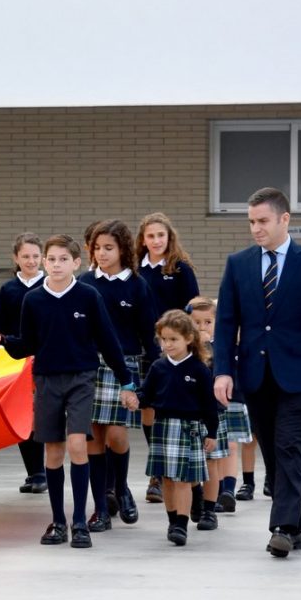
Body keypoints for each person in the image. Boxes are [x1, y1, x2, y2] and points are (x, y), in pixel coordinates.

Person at [0, 234, 137, 549]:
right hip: (47, 380)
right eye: (51, 259)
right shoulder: (32, 300)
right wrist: (0, 339)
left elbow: (108, 340)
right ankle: (58, 522)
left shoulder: (88, 296)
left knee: (78, 444)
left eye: (64, 259)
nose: (56, 264)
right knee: (53, 451)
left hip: (81, 378)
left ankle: (79, 521)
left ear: (76, 263)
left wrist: (127, 381)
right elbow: (27, 345)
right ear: (44, 262)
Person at [213, 187, 301, 558]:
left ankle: (281, 527)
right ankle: (294, 525)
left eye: (263, 221)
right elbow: (225, 323)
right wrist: (223, 371)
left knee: (289, 447)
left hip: (299, 375)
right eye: (251, 221)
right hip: (254, 374)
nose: (256, 228)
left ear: (285, 219)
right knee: (271, 450)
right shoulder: (239, 263)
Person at [78, 220, 159, 532]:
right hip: (88, 365)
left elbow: (148, 334)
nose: (101, 254)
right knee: (93, 440)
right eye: (97, 248)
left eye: (108, 248)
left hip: (124, 366)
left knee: (116, 435)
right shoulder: (85, 282)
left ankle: (122, 488)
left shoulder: (138, 285)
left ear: (124, 249)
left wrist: (153, 375)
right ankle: (100, 506)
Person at [130, 310, 218, 547]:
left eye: (173, 339)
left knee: (183, 480)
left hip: (189, 428)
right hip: (162, 426)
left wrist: (212, 433)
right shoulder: (158, 367)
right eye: (163, 339)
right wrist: (135, 399)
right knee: (167, 479)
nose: (167, 344)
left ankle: (181, 523)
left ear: (189, 338)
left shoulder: (199, 369)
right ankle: (172, 521)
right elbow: (146, 396)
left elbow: (209, 405)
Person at [136, 212, 200, 504]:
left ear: (169, 237)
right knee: (147, 409)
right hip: (144, 349)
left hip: (173, 352)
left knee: (173, 410)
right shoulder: (135, 269)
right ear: (142, 239)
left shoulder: (181, 269)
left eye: (161, 235)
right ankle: (158, 471)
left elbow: (192, 312)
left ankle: (182, 475)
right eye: (150, 236)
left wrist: (183, 346)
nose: (156, 240)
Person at [0, 232, 47, 494]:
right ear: (16, 258)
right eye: (26, 256)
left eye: (36, 256)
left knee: (41, 417)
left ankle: (41, 472)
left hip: (46, 361)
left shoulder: (51, 285)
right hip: (17, 361)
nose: (31, 261)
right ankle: (35, 472)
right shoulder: (9, 290)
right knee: (23, 416)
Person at [187, 297, 252, 517]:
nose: (202, 327)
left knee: (231, 446)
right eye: (196, 323)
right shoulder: (189, 348)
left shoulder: (226, 343)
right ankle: (209, 493)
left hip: (232, 399)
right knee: (211, 450)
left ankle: (228, 491)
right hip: (206, 406)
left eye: (208, 322)